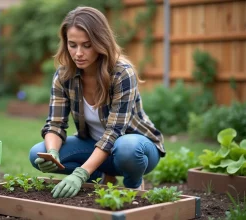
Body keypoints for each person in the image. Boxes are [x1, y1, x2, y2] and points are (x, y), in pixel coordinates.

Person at [29, 6, 165, 199]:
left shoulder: (121, 73)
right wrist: (52, 153)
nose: (78, 53)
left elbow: (114, 133)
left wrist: (79, 173)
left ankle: (133, 184)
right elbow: (55, 124)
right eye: (72, 45)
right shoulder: (63, 75)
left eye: (87, 45)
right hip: (93, 145)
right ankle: (100, 174)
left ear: (101, 42)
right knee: (37, 154)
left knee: (127, 148)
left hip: (136, 148)